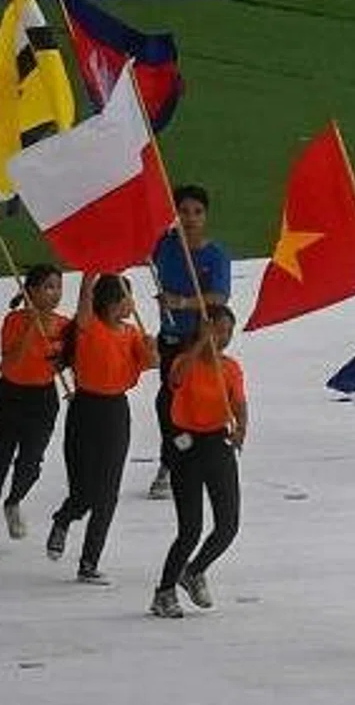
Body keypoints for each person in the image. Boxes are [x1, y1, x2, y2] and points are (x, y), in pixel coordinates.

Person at [47, 273, 155, 584]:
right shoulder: (89, 327)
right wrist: (89, 273)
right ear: (109, 303)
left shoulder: (132, 333)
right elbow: (83, 303)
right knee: (84, 490)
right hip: (85, 408)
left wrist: (152, 349)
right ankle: (64, 518)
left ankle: (89, 561)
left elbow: (151, 363)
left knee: (107, 493)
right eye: (125, 298)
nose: (131, 304)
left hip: (115, 412)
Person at [151, 308, 248, 619]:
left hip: (218, 444)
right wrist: (198, 345)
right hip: (188, 447)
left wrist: (241, 428)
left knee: (228, 525)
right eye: (217, 331)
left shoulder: (230, 369)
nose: (222, 338)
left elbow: (239, 402)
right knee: (190, 529)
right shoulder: (184, 361)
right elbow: (175, 380)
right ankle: (164, 591)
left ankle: (194, 571)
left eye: (227, 333)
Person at [0, 263, 69, 548]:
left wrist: (60, 360)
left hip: (42, 398)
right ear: (32, 291)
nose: (55, 293)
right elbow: (11, 361)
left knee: (31, 461)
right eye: (49, 287)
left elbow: (66, 362)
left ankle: (13, 500)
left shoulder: (64, 325)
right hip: (10, 395)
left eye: (58, 287)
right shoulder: (14, 321)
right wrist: (31, 328)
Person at [148, 185, 230, 498]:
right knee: (168, 404)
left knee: (189, 401)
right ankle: (173, 458)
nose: (191, 218)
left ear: (205, 216)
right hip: (170, 337)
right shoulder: (166, 245)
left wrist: (180, 303)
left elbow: (219, 296)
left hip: (198, 340)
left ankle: (186, 459)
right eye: (184, 211)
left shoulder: (215, 255)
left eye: (197, 212)